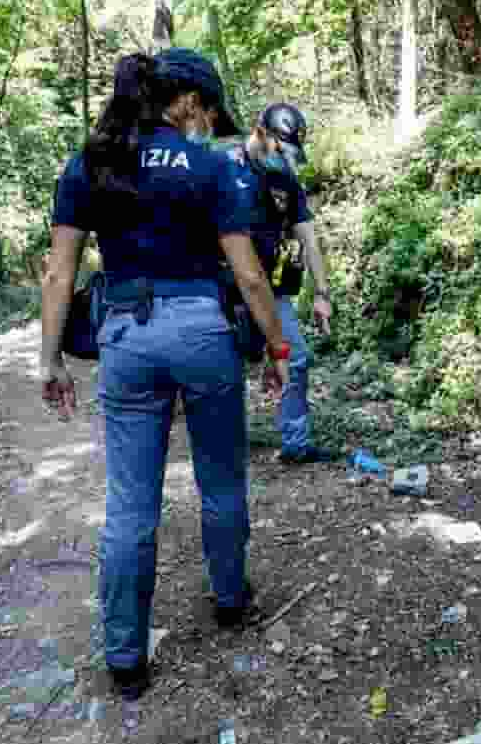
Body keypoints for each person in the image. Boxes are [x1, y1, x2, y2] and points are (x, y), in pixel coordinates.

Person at [39, 48, 294, 701]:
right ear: (183, 102)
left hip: (125, 336)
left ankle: (126, 657)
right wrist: (276, 348)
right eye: (207, 109)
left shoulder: (92, 162)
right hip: (203, 331)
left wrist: (50, 361)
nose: (209, 121)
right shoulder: (211, 168)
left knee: (129, 503)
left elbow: (60, 274)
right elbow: (248, 275)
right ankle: (231, 599)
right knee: (220, 476)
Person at [224, 102, 335, 463]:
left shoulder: (285, 180)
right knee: (224, 369)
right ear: (261, 133)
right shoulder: (224, 167)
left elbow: (309, 238)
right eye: (279, 148)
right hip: (222, 290)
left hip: (271, 292)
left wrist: (322, 293)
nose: (282, 157)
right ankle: (227, 446)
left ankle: (296, 444)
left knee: (296, 359)